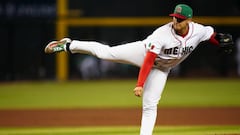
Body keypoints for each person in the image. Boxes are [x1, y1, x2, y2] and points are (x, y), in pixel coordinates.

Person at [44, 4, 233, 135]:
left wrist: (219, 41)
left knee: (150, 105)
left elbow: (212, 35)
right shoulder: (162, 34)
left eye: (180, 19)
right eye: (174, 17)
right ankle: (70, 45)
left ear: (189, 21)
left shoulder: (198, 30)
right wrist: (140, 84)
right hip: (143, 53)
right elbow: (149, 60)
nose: (176, 22)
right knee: (106, 53)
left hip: (163, 69)